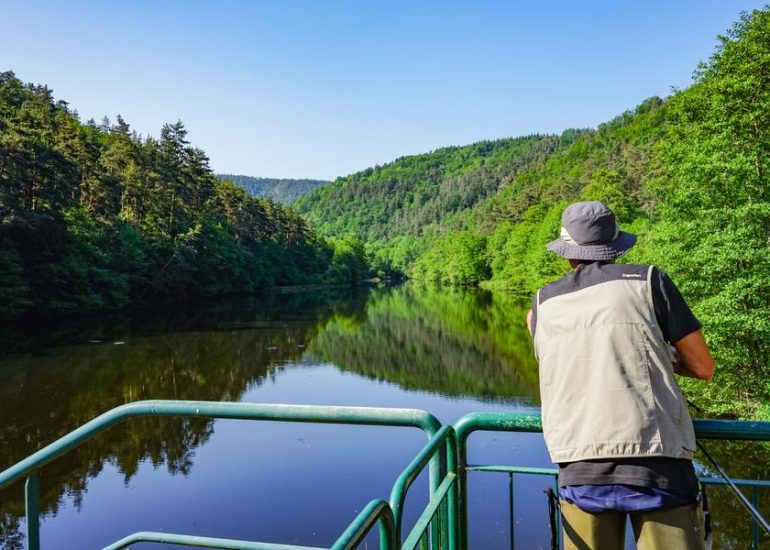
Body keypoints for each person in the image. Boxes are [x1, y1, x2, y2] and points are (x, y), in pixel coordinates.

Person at [527, 201, 715, 550]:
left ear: (568, 252)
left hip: (579, 468)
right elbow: (703, 367)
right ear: (616, 247)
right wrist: (654, 351)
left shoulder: (541, 304)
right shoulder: (649, 281)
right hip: (658, 469)